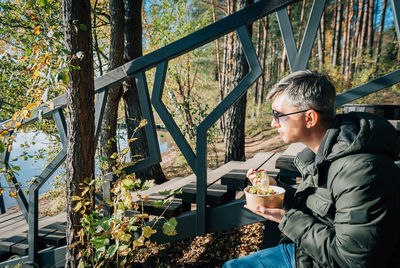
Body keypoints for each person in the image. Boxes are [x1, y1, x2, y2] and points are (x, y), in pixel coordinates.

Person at [223, 70, 400, 268]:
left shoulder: (362, 173)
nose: (273, 123)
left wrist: (286, 219)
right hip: (310, 252)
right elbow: (323, 208)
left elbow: (352, 261)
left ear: (309, 118)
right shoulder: (329, 152)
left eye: (278, 115)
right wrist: (277, 191)